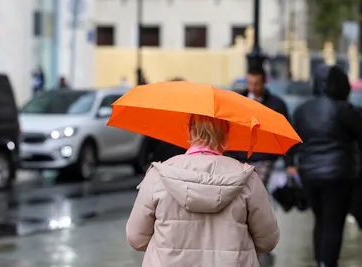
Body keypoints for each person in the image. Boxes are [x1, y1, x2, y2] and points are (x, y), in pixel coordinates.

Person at [126, 114, 280, 267]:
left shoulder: (158, 175)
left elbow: (136, 238)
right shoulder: (248, 178)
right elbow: (267, 241)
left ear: (190, 131)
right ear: (226, 133)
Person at [286, 64, 362, 267]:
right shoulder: (342, 109)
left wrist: (292, 165)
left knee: (319, 220)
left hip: (309, 174)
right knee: (333, 222)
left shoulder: (302, 110)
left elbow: (292, 140)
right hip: (338, 174)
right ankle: (327, 263)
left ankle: (320, 260)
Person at [226, 67, 290, 185]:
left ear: (264, 83)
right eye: (250, 83)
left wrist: (289, 163)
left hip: (264, 157)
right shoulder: (238, 101)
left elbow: (285, 134)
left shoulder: (276, 105)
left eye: (257, 84)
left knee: (257, 191)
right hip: (239, 157)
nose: (253, 88)